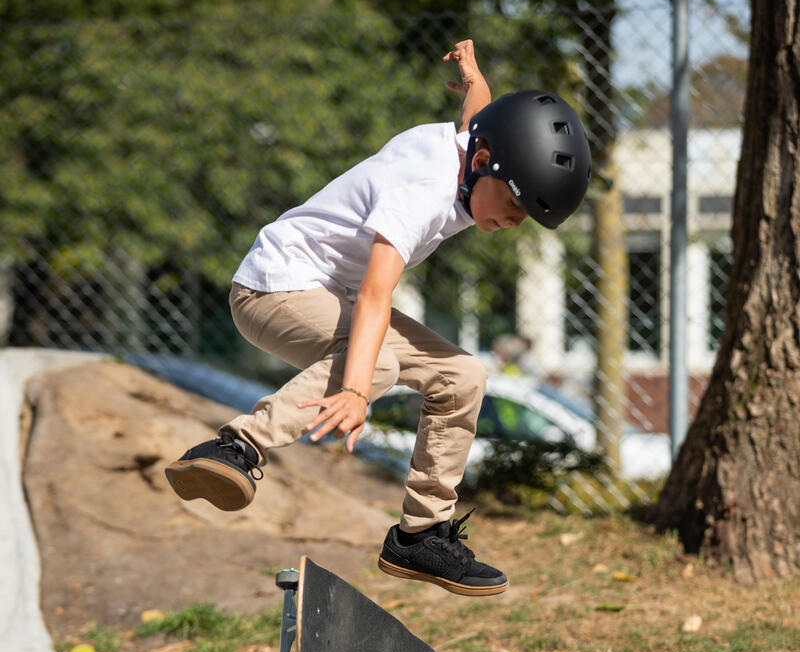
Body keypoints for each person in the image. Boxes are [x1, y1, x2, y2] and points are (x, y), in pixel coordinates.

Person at [165, 40, 591, 596]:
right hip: (272, 288)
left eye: (525, 217)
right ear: (484, 164)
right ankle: (234, 448)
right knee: (378, 367)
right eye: (513, 206)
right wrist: (357, 392)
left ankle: (420, 535)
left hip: (326, 294)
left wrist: (472, 75)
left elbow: (478, 112)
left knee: (463, 376)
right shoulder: (425, 192)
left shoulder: (478, 147)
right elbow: (374, 294)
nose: (513, 222)